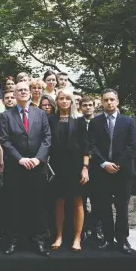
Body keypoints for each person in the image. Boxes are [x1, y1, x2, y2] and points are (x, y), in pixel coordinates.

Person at [0, 81, 51, 257]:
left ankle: (38, 241)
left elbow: (47, 139)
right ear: (14, 94)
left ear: (30, 93)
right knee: (15, 206)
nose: (22, 92)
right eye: (19, 90)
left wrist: (38, 159)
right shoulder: (6, 115)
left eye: (25, 90)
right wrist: (20, 159)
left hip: (37, 168)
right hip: (16, 167)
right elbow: (5, 141)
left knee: (37, 206)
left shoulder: (40, 114)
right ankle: (13, 241)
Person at [89, 89, 136, 255]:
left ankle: (122, 240)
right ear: (101, 102)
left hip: (123, 171)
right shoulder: (95, 122)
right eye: (106, 100)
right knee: (104, 207)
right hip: (102, 171)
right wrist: (104, 163)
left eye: (112, 100)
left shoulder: (128, 121)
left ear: (117, 102)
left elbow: (132, 145)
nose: (109, 103)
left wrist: (116, 164)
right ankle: (108, 239)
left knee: (122, 207)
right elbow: (91, 145)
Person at [48, 89, 90, 252]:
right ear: (57, 101)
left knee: (78, 201)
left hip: (76, 165)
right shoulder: (51, 119)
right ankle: (59, 236)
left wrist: (85, 168)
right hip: (57, 166)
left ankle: (77, 238)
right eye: (61, 98)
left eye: (67, 99)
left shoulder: (79, 121)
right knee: (59, 201)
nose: (64, 101)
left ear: (72, 102)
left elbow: (86, 145)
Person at [79, 95, 103, 241]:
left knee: (97, 200)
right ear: (80, 107)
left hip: (97, 166)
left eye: (90, 105)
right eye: (85, 105)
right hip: (82, 166)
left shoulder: (100, 122)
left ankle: (97, 230)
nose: (88, 107)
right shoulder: (77, 123)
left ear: (94, 106)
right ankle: (82, 229)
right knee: (80, 199)